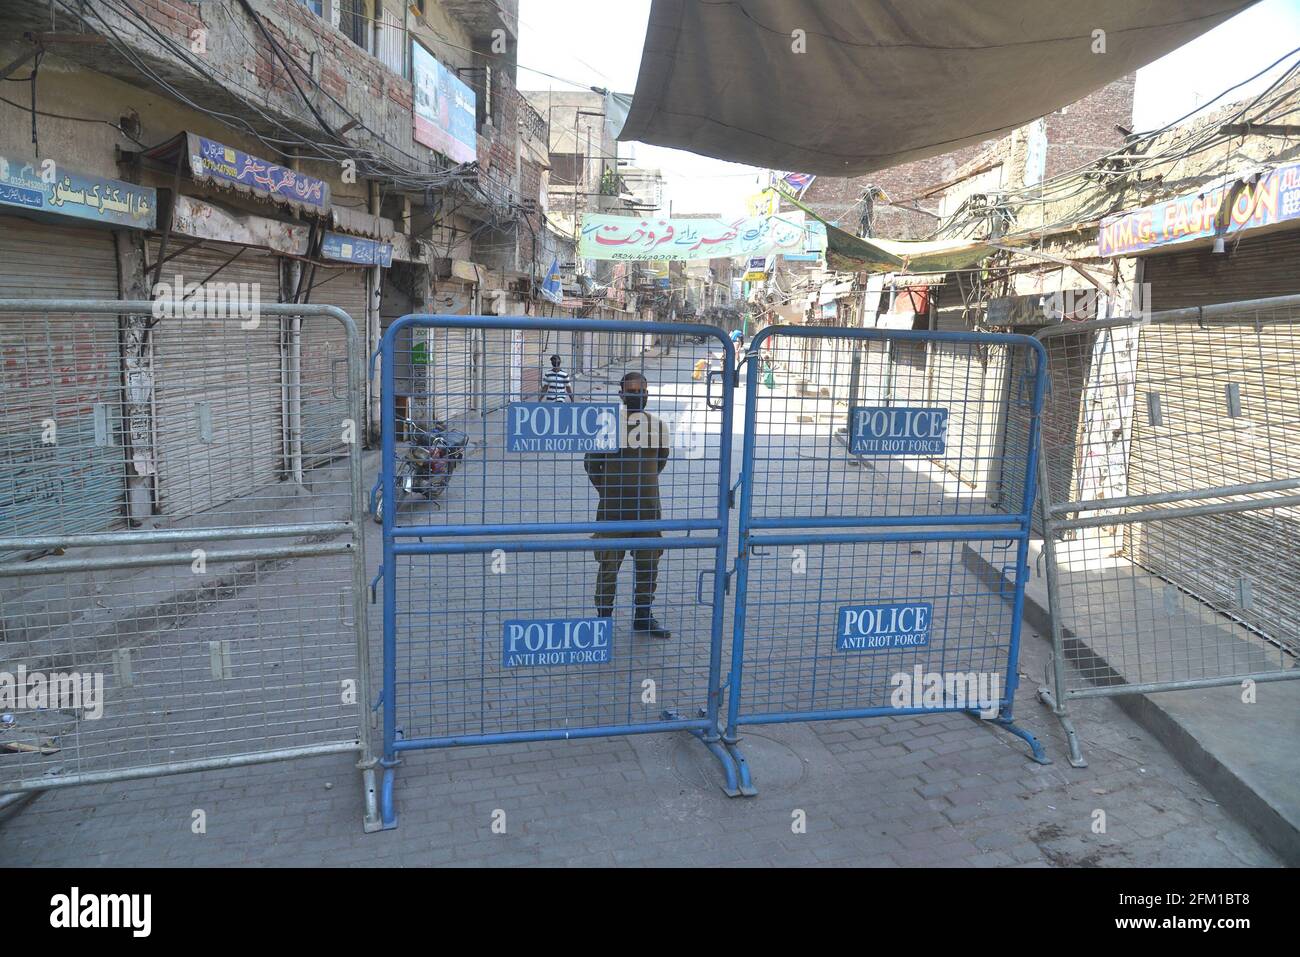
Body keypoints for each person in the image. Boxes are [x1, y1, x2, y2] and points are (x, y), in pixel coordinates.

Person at [583, 372, 671, 639]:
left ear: (648, 395)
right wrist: (610, 490)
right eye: (631, 390)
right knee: (609, 565)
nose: (637, 394)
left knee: (648, 565)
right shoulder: (607, 426)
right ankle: (603, 620)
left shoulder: (658, 426)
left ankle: (643, 616)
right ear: (621, 395)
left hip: (648, 510)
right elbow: (591, 464)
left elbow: (659, 462)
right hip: (613, 511)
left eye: (641, 390)